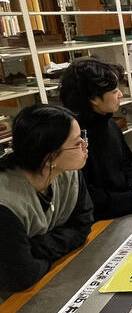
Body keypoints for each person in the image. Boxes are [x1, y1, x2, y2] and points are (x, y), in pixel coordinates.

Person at [0, 105, 94, 292]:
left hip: (49, 278)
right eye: (77, 143)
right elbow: (22, 275)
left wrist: (36, 247)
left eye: (83, 136)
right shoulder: (6, 203)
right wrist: (62, 241)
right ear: (49, 157)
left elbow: (83, 224)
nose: (85, 145)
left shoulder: (68, 173)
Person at [59, 58, 132, 220]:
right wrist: (131, 199)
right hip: (100, 218)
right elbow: (84, 197)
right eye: (113, 91)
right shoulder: (73, 138)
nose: (120, 95)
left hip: (122, 209)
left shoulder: (109, 123)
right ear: (93, 99)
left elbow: (126, 165)